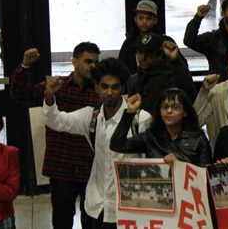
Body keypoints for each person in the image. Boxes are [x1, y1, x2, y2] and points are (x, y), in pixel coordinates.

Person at [43, 58, 152, 228]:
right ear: (96, 88)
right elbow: (56, 121)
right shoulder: (91, 117)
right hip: (97, 204)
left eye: (115, 87)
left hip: (130, 207)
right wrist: (50, 95)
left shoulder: (140, 119)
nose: (109, 92)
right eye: (104, 86)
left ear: (122, 88)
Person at [10, 42, 101, 229]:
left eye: (96, 62)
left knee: (92, 220)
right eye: (88, 61)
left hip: (91, 168)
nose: (93, 66)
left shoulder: (101, 92)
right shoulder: (57, 86)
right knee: (61, 219)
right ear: (75, 61)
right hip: (62, 167)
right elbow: (19, 93)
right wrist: (25, 66)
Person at [110, 88, 211, 167]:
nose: (169, 111)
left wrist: (180, 166)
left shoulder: (198, 139)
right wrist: (130, 113)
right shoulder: (151, 136)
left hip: (188, 191)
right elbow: (117, 145)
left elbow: (205, 177)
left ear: (185, 112)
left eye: (175, 107)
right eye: (165, 106)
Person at [126, 32, 195, 113]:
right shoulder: (133, 81)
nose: (143, 57)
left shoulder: (171, 79)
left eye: (149, 53)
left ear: (159, 55)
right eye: (140, 52)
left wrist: (175, 61)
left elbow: (189, 95)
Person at [118, 0, 164, 74]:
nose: (144, 22)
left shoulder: (165, 42)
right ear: (135, 19)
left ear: (155, 21)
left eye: (148, 18)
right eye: (141, 18)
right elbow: (120, 68)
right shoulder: (128, 44)